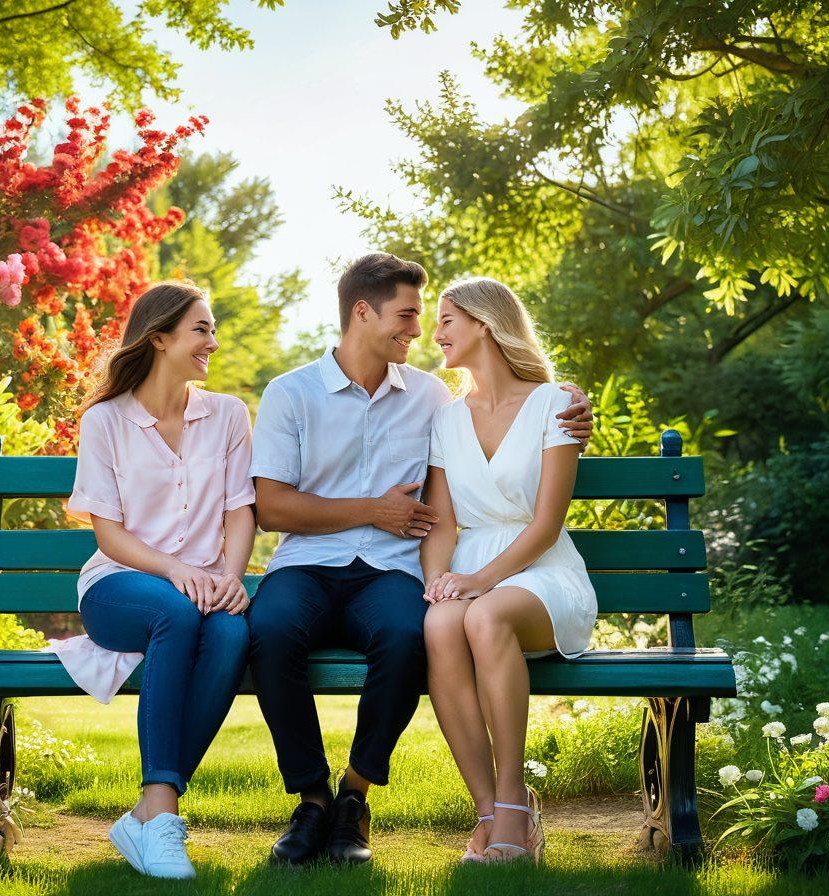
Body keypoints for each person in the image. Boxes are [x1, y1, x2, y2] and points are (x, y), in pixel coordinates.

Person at [248, 253, 593, 865]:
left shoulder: (433, 398)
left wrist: (572, 408)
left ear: (484, 324)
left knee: (409, 634)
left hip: (392, 569)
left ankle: (354, 797)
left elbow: (509, 451)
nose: (421, 331)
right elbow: (271, 507)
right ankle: (311, 801)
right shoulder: (291, 393)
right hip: (307, 564)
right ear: (363, 312)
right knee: (270, 630)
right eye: (408, 316)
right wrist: (377, 517)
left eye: (434, 318)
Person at [58, 281, 256, 880]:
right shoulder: (105, 421)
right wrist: (177, 570)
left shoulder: (226, 415)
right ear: (159, 337)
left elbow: (240, 510)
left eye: (212, 330)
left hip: (201, 588)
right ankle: (165, 817)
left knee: (230, 635)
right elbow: (108, 533)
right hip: (119, 586)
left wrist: (229, 575)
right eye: (201, 330)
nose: (213, 344)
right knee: (178, 612)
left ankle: (149, 809)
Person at [420, 277, 599, 865]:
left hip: (541, 574)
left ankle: (514, 806)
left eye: (447, 320)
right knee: (442, 626)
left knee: (486, 616)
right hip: (472, 568)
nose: (435, 332)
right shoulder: (446, 419)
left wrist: (477, 583)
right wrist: (438, 577)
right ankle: (490, 813)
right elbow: (442, 522)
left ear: (484, 324)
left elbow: (546, 525)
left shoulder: (554, 404)